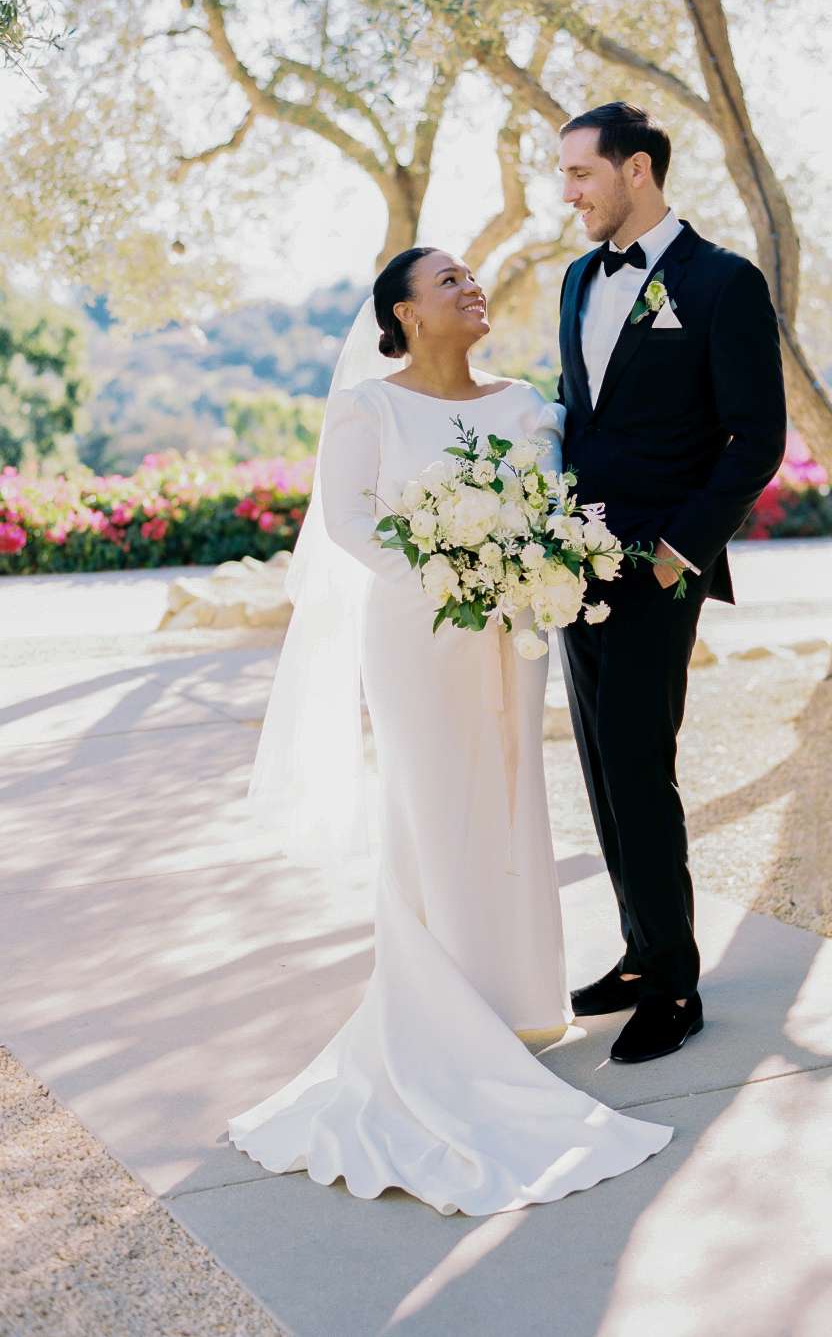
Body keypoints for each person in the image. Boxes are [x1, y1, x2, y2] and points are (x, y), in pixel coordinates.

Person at [228, 247, 673, 1216]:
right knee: (432, 810)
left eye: (474, 277)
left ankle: (518, 1006)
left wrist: (519, 573)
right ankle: (443, 1016)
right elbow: (348, 519)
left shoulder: (526, 406)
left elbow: (549, 508)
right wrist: (445, 575)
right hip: (418, 628)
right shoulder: (369, 409)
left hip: (509, 630)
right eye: (449, 283)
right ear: (405, 312)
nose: (472, 289)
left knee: (510, 805)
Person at [556, 102, 787, 1065]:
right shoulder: (575, 279)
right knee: (605, 774)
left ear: (638, 170)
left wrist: (675, 554)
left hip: (660, 569)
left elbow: (757, 441)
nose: (567, 193)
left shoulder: (724, 282)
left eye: (581, 175)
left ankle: (676, 987)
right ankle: (640, 951)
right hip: (569, 570)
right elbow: (581, 418)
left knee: (642, 769)